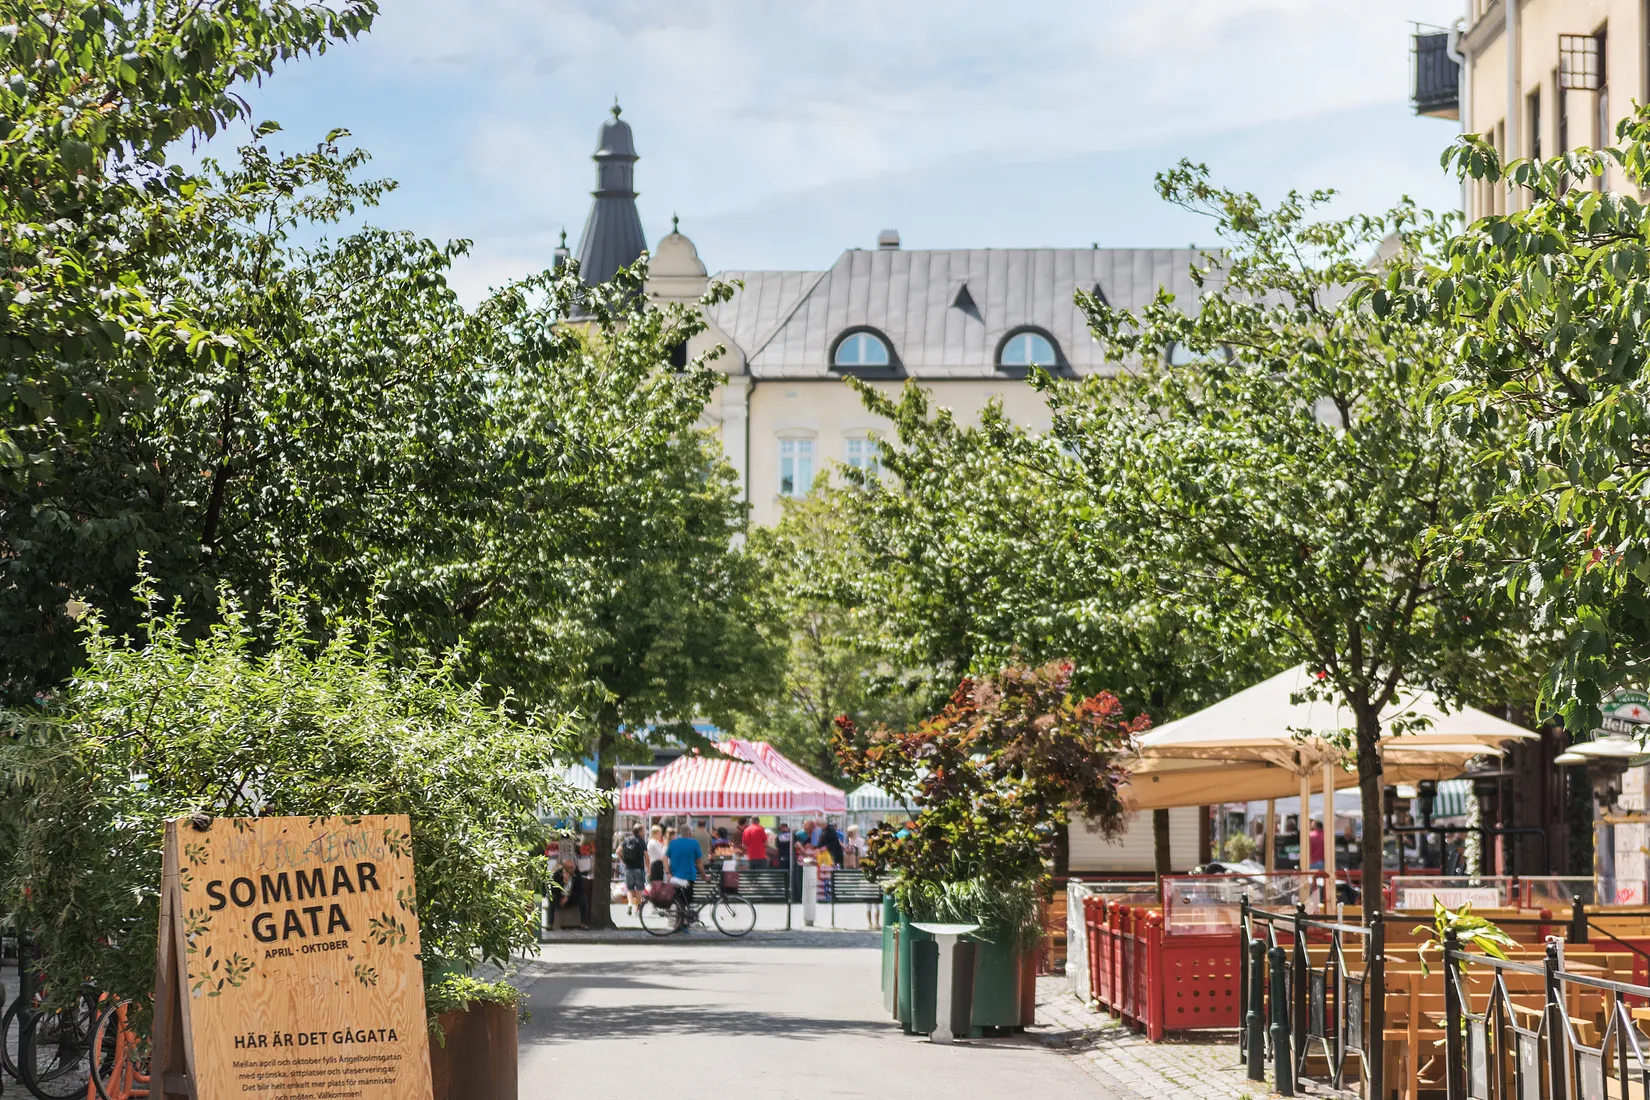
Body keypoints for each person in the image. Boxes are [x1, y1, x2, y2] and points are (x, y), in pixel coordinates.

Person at [666, 821, 705, 930]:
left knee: (679, 901)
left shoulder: (673, 843)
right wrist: (704, 875)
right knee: (686, 900)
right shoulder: (694, 843)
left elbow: (664, 858)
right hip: (689, 876)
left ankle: (679, 923)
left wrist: (668, 872)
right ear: (689, 833)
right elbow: (699, 862)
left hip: (675, 876)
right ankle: (681, 923)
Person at [552, 858, 590, 929]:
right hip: (560, 897)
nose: (572, 869)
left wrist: (568, 897)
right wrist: (563, 883)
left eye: (573, 867)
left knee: (583, 898)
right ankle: (550, 924)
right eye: (570, 868)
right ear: (565, 868)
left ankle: (583, 923)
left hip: (572, 897)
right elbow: (554, 890)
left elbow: (580, 890)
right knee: (552, 899)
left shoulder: (576, 874)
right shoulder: (557, 875)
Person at [619, 825, 648, 915]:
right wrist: (648, 868)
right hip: (639, 868)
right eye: (643, 831)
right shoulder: (642, 842)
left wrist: (623, 861)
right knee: (639, 889)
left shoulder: (626, 840)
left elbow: (617, 851)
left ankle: (630, 904)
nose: (644, 832)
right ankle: (637, 908)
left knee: (629, 888)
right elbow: (646, 856)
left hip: (628, 868)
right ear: (639, 832)